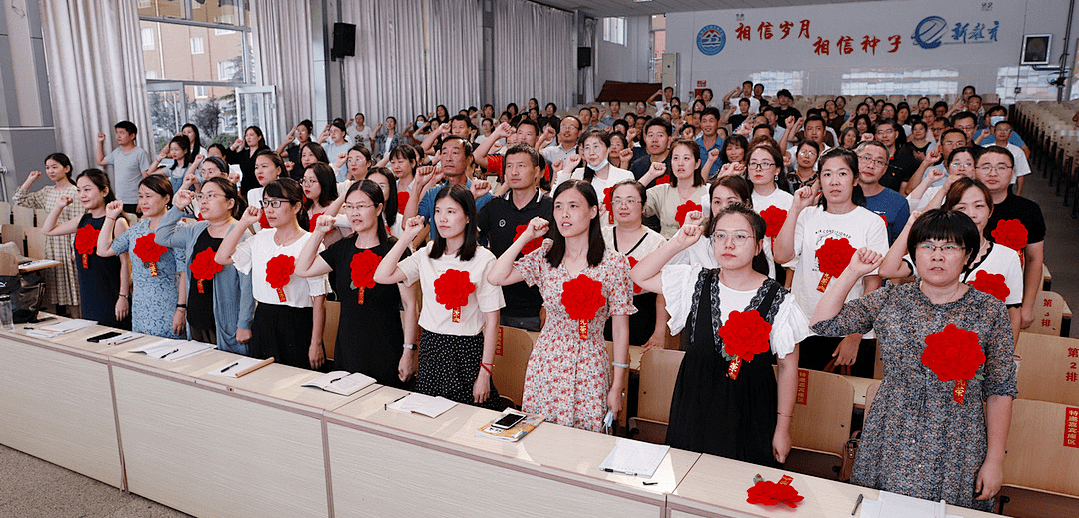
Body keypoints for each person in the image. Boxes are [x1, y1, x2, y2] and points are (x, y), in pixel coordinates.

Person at [810, 210, 1016, 511]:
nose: (937, 256)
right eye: (927, 246)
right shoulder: (891, 298)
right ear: (914, 253)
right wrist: (853, 272)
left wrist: (995, 461)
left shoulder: (990, 310)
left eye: (949, 247)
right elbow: (822, 324)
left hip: (957, 434)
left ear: (968, 255)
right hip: (892, 428)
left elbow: (999, 389)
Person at [631, 203, 808, 465]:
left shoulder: (781, 300)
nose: (728, 244)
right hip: (694, 403)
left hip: (751, 409)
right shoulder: (694, 281)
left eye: (740, 236)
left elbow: (787, 368)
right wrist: (678, 242)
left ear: (759, 246)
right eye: (720, 236)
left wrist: (783, 429)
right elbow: (639, 275)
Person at [487, 180, 634, 432]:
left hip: (590, 363)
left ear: (593, 211)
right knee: (540, 438)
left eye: (573, 206)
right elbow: (496, 277)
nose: (564, 214)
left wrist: (617, 385)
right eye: (558, 206)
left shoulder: (614, 263)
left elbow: (620, 330)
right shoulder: (546, 256)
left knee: (585, 443)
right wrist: (526, 237)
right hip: (547, 362)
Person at [374, 185, 504, 408]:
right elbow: (382, 275)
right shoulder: (427, 253)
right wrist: (406, 238)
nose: (442, 218)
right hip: (431, 346)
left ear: (468, 218)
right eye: (438, 211)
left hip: (467, 350)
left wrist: (485, 372)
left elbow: (493, 321)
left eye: (451, 212)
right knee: (428, 416)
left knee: (467, 416)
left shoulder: (484, 259)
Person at [773, 148, 888, 377]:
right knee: (803, 400)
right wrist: (796, 209)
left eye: (842, 174)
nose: (834, 182)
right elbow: (781, 256)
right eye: (827, 174)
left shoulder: (871, 222)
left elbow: (872, 283)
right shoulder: (807, 216)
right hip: (803, 326)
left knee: (841, 403)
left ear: (855, 179)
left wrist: (855, 335)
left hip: (847, 331)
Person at [295, 181, 419, 386]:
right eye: (349, 207)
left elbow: (411, 305)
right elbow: (302, 269)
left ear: (379, 208)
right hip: (348, 344)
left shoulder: (395, 250)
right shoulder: (342, 248)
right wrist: (318, 232)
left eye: (361, 206)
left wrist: (409, 352)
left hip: (386, 345)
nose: (354, 213)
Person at [880, 178, 1023, 342]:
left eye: (979, 206)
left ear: (990, 210)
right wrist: (910, 227)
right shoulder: (933, 251)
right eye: (962, 207)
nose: (972, 214)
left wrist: (1004, 358)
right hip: (926, 343)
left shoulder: (1008, 256)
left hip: (979, 348)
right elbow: (887, 271)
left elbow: (1013, 311)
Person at [216, 178, 329, 370]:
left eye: (276, 203)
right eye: (266, 203)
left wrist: (316, 343)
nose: (269, 209)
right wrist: (243, 223)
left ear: (296, 207)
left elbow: (319, 299)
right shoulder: (261, 238)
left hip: (298, 321)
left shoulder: (311, 242)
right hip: (264, 318)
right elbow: (222, 257)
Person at [154, 177, 254, 351]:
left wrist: (244, 323)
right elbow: (162, 237)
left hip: (226, 322)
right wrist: (177, 208)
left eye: (211, 195)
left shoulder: (240, 234)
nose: (204, 201)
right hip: (196, 315)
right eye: (201, 196)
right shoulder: (197, 228)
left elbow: (248, 287)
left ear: (230, 203)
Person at [96, 176, 185, 339]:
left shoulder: (178, 229)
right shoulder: (137, 229)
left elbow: (184, 272)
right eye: (140, 196)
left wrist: (181, 309)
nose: (143, 202)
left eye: (149, 196)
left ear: (166, 198)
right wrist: (110, 217)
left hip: (169, 304)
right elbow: (103, 250)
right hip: (141, 305)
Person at [476, 144, 553, 332]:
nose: (514, 172)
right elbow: (467, 237)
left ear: (537, 172)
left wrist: (548, 304)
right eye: (509, 166)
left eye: (521, 165)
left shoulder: (551, 208)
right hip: (496, 303)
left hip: (535, 309)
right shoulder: (495, 206)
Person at [42, 169, 131, 329]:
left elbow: (126, 263)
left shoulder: (118, 222)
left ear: (104, 191)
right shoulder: (83, 220)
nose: (82, 195)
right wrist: (59, 206)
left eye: (87, 190)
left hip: (111, 292)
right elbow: (48, 230)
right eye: (79, 190)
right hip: (88, 292)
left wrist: (123, 296)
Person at [976, 146, 1044, 331]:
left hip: (1008, 296)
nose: (993, 173)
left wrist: (1027, 306)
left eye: (1001, 167)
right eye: (986, 167)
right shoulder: (961, 207)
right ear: (975, 170)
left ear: (1013, 172)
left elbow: (1034, 259)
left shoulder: (1028, 210)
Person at [602, 180, 667, 349]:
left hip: (643, 313)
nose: (623, 206)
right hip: (604, 312)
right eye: (617, 200)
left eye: (630, 201)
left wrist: (660, 331)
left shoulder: (657, 242)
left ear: (643, 206)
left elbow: (663, 292)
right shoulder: (601, 236)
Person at [14, 153, 83, 313]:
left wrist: (75, 247)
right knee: (58, 286)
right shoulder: (47, 191)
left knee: (73, 286)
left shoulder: (74, 192)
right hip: (52, 244)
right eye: (47, 168)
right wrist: (30, 180)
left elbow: (78, 223)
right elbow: (18, 200)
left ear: (66, 168)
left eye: (54, 167)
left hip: (68, 243)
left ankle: (77, 318)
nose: (50, 171)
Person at [553, 130, 635, 224]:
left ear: (608, 149)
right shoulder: (578, 174)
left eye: (596, 147)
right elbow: (557, 199)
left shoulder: (624, 176)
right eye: (587, 148)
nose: (591, 152)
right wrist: (568, 168)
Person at [638, 139, 710, 239]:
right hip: (667, 249)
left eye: (686, 158)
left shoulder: (708, 192)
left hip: (699, 249)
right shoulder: (661, 191)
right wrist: (650, 175)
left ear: (697, 164)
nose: (680, 163)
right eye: (675, 158)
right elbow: (630, 200)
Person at [856, 140, 911, 244]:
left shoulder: (897, 202)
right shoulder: (838, 196)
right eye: (866, 158)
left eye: (879, 162)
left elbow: (901, 245)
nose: (871, 166)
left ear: (885, 169)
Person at [95, 121, 152, 215]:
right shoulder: (117, 152)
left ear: (132, 136)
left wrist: (142, 201)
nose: (118, 136)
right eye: (117, 132)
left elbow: (146, 178)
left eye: (122, 133)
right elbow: (100, 161)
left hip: (135, 201)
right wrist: (99, 142)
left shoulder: (140, 153)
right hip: (119, 200)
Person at [906, 146, 977, 213]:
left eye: (968, 164)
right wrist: (928, 180)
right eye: (956, 163)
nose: (961, 168)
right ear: (947, 168)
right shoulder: (934, 192)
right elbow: (907, 208)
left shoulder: (980, 193)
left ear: (975, 169)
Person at [246, 150, 286, 231]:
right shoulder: (252, 194)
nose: (259, 171)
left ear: (278, 170)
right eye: (256, 167)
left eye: (264, 166)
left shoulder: (288, 192)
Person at [227, 125, 271, 197]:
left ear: (259, 137)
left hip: (260, 185)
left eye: (251, 135)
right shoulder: (244, 153)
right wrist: (234, 146)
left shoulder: (264, 151)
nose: (248, 138)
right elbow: (230, 160)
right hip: (246, 188)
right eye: (246, 135)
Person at [629, 118, 674, 188]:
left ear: (669, 140)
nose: (654, 140)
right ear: (645, 139)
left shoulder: (677, 164)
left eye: (660, 135)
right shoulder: (637, 165)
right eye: (650, 135)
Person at [365, 167, 403, 238]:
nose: (376, 190)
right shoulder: (357, 216)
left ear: (391, 188)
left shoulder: (400, 221)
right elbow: (337, 218)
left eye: (381, 186)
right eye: (371, 186)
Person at [696, 107, 725, 178]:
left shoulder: (725, 145)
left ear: (718, 123)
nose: (707, 125)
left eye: (711, 121)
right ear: (700, 123)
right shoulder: (694, 145)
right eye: (704, 121)